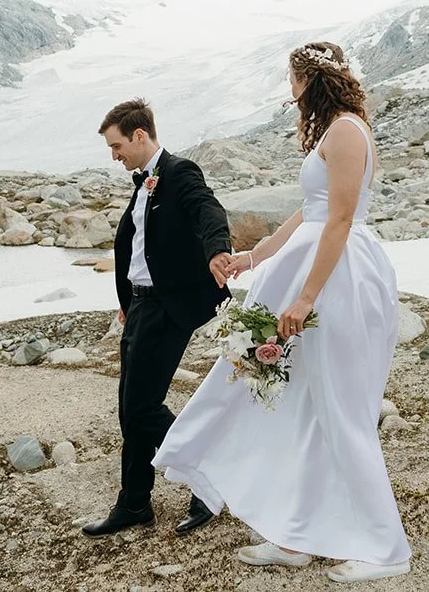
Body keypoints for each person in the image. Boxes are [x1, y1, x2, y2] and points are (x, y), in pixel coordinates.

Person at [152, 42, 412, 583]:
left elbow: (339, 221)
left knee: (340, 411)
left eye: (291, 78)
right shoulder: (334, 130)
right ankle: (296, 534)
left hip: (336, 279)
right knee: (298, 406)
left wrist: (306, 297)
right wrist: (257, 254)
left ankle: (387, 549)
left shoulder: (344, 130)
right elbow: (310, 212)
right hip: (311, 267)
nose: (287, 89)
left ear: (310, 79)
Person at [82, 98, 235, 538]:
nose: (114, 156)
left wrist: (217, 249)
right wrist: (128, 300)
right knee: (129, 412)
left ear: (139, 136)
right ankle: (134, 504)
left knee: (142, 407)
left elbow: (208, 210)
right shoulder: (142, 182)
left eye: (116, 146)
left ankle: (207, 471)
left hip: (167, 308)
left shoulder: (180, 172)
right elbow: (139, 246)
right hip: (140, 308)